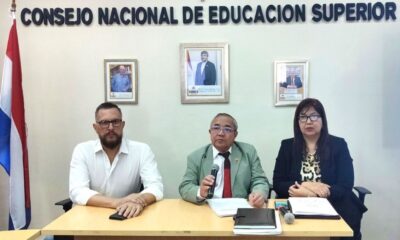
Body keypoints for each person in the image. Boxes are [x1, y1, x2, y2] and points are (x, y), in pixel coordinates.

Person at [273, 98, 367, 240]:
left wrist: (310, 195)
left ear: (323, 120)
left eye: (314, 116)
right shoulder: (287, 146)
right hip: (295, 207)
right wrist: (306, 184)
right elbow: (278, 183)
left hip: (334, 205)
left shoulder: (338, 145)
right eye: (303, 117)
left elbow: (346, 185)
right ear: (297, 122)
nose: (308, 121)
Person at [69, 102, 163, 218]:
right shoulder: (82, 150)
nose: (111, 128)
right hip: (87, 217)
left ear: (122, 124)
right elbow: (77, 191)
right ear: (96, 127)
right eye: (104, 123)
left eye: (115, 122)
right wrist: (117, 202)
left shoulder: (142, 150)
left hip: (125, 216)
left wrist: (139, 200)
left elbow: (156, 186)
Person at [179, 113, 270, 208]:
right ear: (210, 132)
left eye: (227, 129)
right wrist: (200, 192)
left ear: (235, 134)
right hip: (208, 208)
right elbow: (185, 186)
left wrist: (259, 194)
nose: (221, 133)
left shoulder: (248, 152)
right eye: (216, 128)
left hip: (241, 208)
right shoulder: (196, 157)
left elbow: (259, 180)